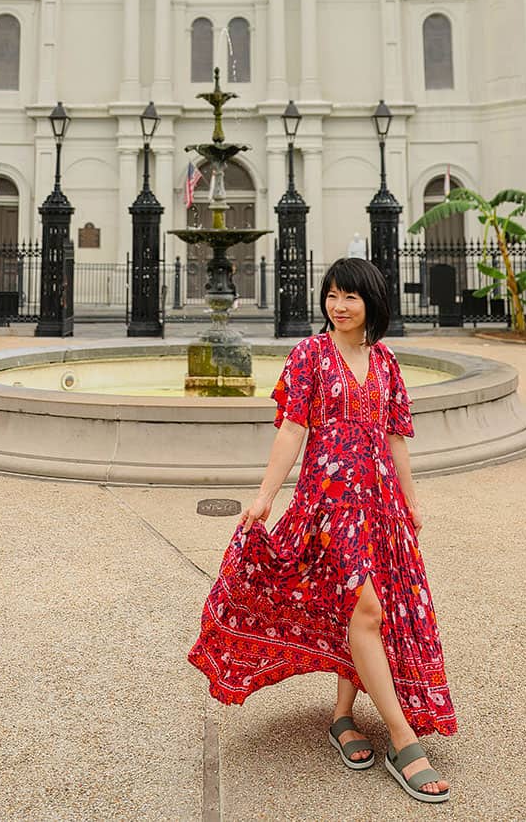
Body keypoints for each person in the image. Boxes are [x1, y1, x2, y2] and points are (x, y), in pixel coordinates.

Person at [188, 257, 456, 802]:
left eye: (350, 297)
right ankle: (404, 743)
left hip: (379, 503)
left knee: (365, 608)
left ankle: (342, 717)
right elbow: (292, 428)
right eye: (332, 295)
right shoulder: (310, 353)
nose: (339, 306)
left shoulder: (385, 362)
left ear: (371, 302)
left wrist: (412, 502)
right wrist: (265, 497)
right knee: (366, 609)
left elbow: (396, 438)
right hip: (329, 503)